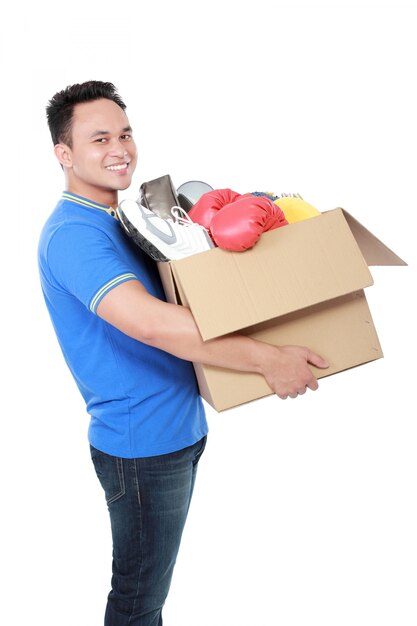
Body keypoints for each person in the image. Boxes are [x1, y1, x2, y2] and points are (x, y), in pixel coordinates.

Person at [38, 80, 329, 626]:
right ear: (64, 153)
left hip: (175, 431)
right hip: (141, 444)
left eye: (125, 133)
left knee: (148, 594)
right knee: (138, 601)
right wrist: (267, 358)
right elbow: (151, 324)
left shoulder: (118, 219)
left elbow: (193, 294)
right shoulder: (74, 234)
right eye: (99, 138)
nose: (119, 148)